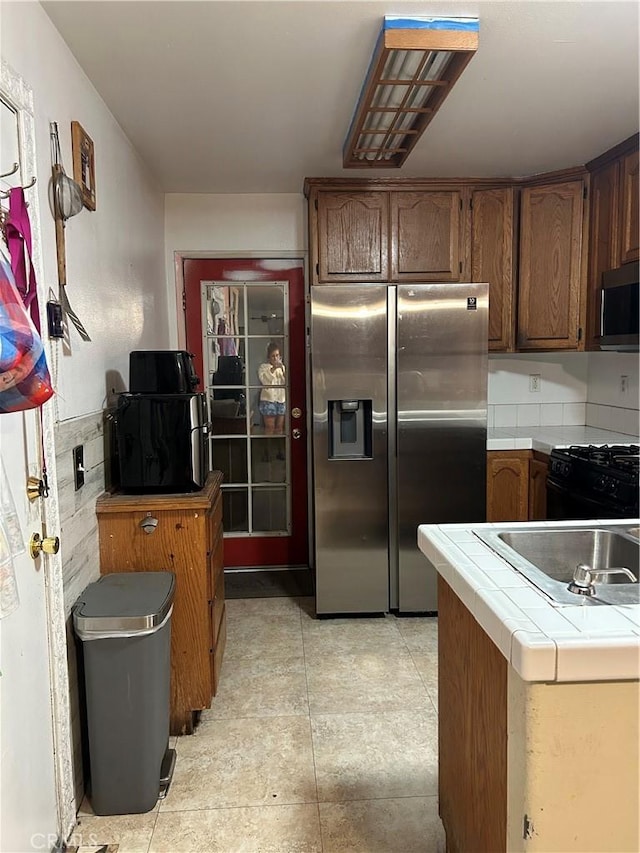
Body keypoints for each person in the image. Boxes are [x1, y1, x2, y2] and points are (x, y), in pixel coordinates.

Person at [258, 341, 286, 435]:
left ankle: (279, 448)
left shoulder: (283, 368)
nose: (275, 358)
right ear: (269, 357)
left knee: (279, 428)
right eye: (273, 356)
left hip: (281, 401)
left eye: (277, 355)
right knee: (270, 428)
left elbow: (288, 382)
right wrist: (274, 368)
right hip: (268, 401)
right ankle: (268, 448)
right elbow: (265, 381)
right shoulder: (263, 367)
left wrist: (282, 369)